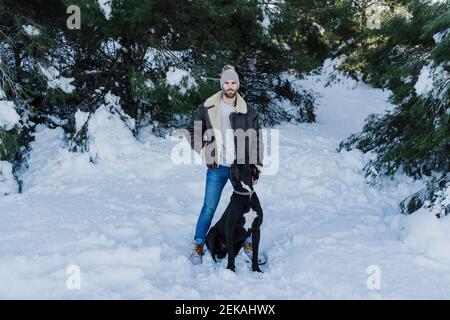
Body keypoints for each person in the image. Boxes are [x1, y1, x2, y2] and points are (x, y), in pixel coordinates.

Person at [185, 65, 264, 265]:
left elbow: (256, 139)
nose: (230, 86)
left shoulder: (248, 110)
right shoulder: (208, 107)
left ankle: (247, 243)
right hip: (217, 167)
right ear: (222, 84)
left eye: (233, 82)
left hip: (242, 169)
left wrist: (257, 167)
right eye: (227, 82)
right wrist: (204, 150)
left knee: (247, 208)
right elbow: (191, 131)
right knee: (209, 207)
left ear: (238, 84)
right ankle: (199, 244)